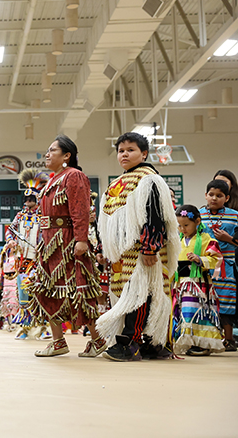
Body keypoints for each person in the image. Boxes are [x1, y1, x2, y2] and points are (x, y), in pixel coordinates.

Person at [96, 132, 179, 362]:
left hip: (143, 251)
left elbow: (155, 214)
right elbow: (106, 220)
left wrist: (150, 246)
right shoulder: (118, 182)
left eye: (130, 150)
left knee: (141, 295)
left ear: (144, 153)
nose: (124, 154)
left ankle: (131, 343)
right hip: (123, 253)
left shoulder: (149, 179)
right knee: (128, 295)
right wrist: (104, 249)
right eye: (121, 150)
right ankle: (149, 344)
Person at [29, 135, 105, 357]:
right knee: (48, 289)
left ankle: (98, 340)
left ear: (67, 155)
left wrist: (81, 239)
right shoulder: (53, 179)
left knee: (78, 289)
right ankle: (58, 341)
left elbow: (79, 210)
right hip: (49, 243)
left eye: (52, 150)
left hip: (67, 242)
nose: (47, 154)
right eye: (47, 150)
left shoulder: (75, 176)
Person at [173, 205, 224, 356]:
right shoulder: (179, 240)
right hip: (181, 283)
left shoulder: (207, 239)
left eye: (186, 225)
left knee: (197, 311)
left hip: (198, 283)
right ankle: (188, 342)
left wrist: (200, 259)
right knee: (183, 312)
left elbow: (217, 258)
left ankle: (202, 344)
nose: (182, 229)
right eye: (180, 226)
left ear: (197, 221)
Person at [6, 169, 47, 340]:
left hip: (39, 260)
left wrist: (43, 247)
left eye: (32, 199)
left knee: (40, 292)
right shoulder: (20, 216)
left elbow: (48, 234)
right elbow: (10, 231)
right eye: (27, 199)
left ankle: (43, 327)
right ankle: (25, 326)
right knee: (23, 293)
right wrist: (11, 241)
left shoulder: (43, 216)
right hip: (22, 260)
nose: (29, 202)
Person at [200, 179, 238, 351]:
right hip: (205, 266)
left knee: (226, 301)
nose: (214, 198)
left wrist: (227, 239)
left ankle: (229, 340)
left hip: (227, 266)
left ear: (227, 198)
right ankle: (208, 339)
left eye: (219, 195)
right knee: (205, 301)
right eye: (211, 194)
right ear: (205, 195)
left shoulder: (234, 216)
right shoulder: (198, 215)